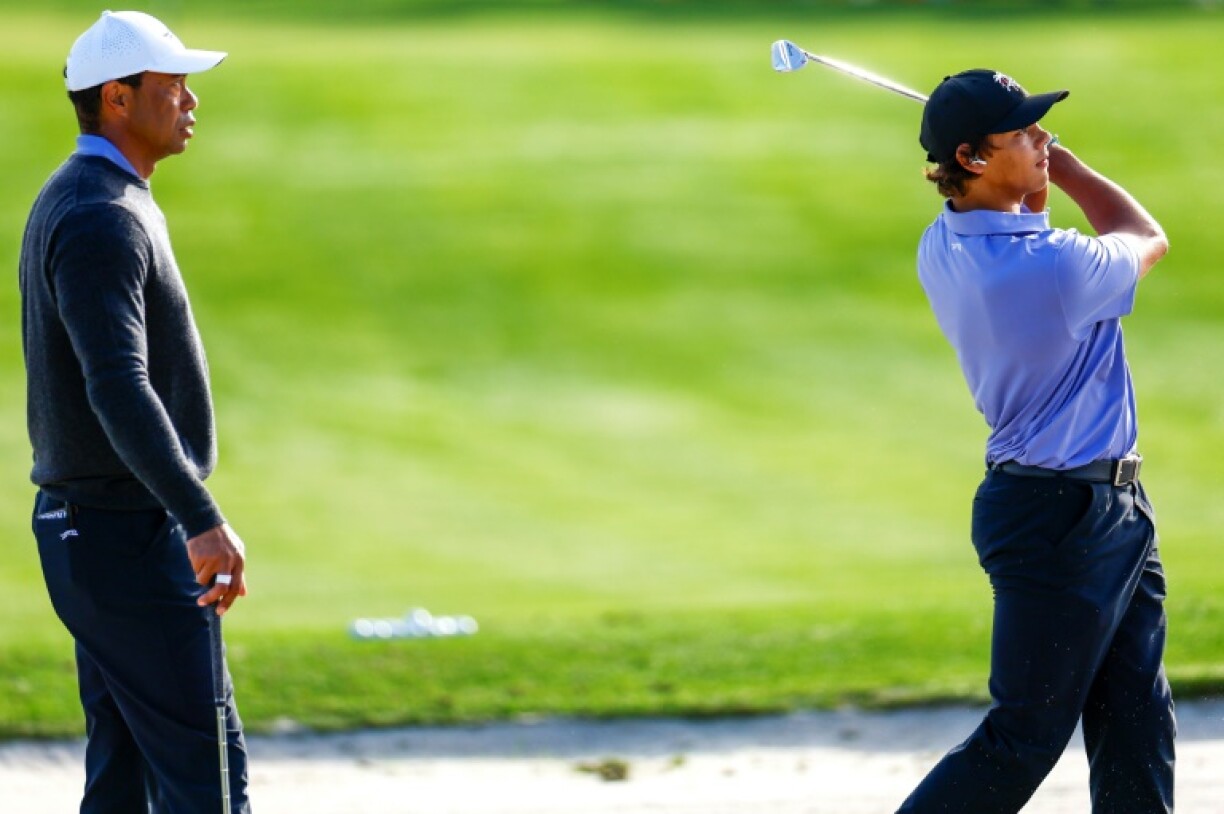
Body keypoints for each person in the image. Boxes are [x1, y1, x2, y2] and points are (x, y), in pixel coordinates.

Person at [897, 69, 1175, 813]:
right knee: (1023, 734)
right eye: (1023, 132)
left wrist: (1035, 166)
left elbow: (1031, 217)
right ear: (973, 157)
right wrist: (1074, 168)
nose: (1044, 138)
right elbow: (1147, 237)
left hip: (1092, 509)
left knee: (1136, 714)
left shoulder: (944, 242)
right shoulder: (1056, 270)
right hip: (1066, 519)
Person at [19, 10, 251, 812]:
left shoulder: (96, 196)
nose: (190, 99)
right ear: (116, 98)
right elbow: (116, 383)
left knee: (121, 778)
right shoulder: (101, 216)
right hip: (124, 534)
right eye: (172, 83)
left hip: (99, 530)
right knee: (207, 778)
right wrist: (200, 517)